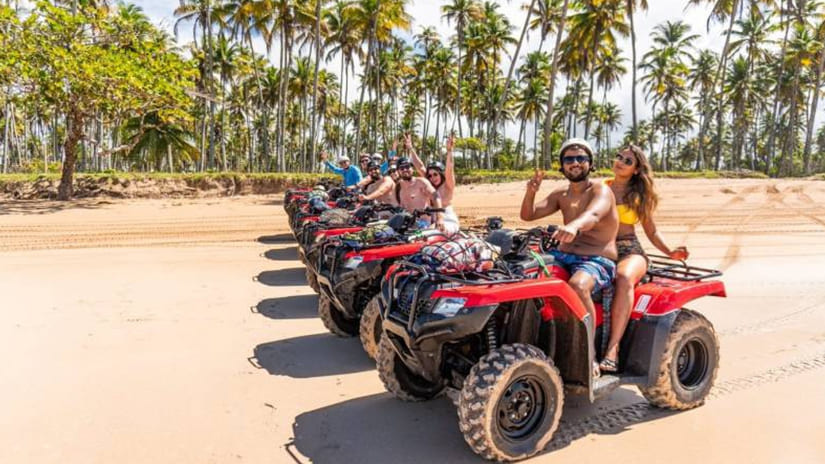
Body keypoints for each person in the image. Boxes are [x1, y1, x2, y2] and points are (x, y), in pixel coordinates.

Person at [520, 137, 618, 378]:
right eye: (569, 159)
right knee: (523, 274)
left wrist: (574, 226)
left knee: (578, 285)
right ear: (562, 165)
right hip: (564, 255)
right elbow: (528, 215)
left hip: (596, 259)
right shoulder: (561, 194)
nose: (575, 163)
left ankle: (589, 353)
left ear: (590, 163)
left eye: (581, 158)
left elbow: (593, 215)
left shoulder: (600, 190)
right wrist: (531, 192)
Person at [599, 144, 689, 373]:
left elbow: (651, 230)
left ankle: (613, 348)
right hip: (601, 247)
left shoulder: (638, 196)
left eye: (627, 161)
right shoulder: (601, 188)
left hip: (630, 249)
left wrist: (670, 252)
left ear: (637, 170)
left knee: (623, 277)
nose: (620, 162)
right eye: (619, 156)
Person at [406, 133, 460, 234]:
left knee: (430, 233)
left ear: (441, 174)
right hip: (432, 220)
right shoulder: (429, 185)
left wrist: (449, 151)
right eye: (430, 176)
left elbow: (450, 169)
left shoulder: (448, 185)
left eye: (435, 174)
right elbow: (420, 166)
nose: (432, 178)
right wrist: (411, 148)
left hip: (447, 219)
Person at [395, 156, 446, 232]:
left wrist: (440, 218)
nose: (405, 170)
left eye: (407, 167)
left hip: (422, 223)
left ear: (412, 168)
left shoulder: (421, 182)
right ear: (398, 171)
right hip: (405, 223)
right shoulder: (399, 186)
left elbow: (435, 197)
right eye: (402, 168)